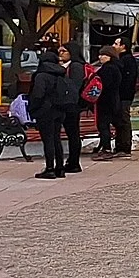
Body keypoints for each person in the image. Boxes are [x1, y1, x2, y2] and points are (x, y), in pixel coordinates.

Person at [27, 44, 66, 179]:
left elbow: (38, 94)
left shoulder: (41, 76)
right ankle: (60, 168)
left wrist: (33, 108)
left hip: (45, 110)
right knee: (56, 138)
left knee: (48, 139)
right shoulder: (61, 74)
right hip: (59, 109)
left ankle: (49, 168)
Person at [52, 43, 84, 174]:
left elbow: (73, 86)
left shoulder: (75, 66)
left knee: (73, 134)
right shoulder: (64, 66)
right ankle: (71, 161)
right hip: (66, 104)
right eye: (59, 51)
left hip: (72, 105)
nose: (60, 53)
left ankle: (74, 162)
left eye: (64, 51)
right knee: (72, 133)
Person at [91, 46, 121, 157]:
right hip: (112, 100)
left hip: (105, 101)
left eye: (103, 55)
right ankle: (104, 146)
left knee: (103, 125)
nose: (100, 57)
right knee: (105, 124)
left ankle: (106, 148)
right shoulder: (116, 67)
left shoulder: (108, 69)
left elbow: (103, 85)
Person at [112, 39, 139, 155]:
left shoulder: (126, 60)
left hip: (124, 96)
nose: (113, 46)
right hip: (122, 95)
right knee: (119, 120)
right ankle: (120, 146)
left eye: (116, 44)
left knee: (123, 120)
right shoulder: (122, 59)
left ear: (123, 46)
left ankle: (124, 147)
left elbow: (127, 80)